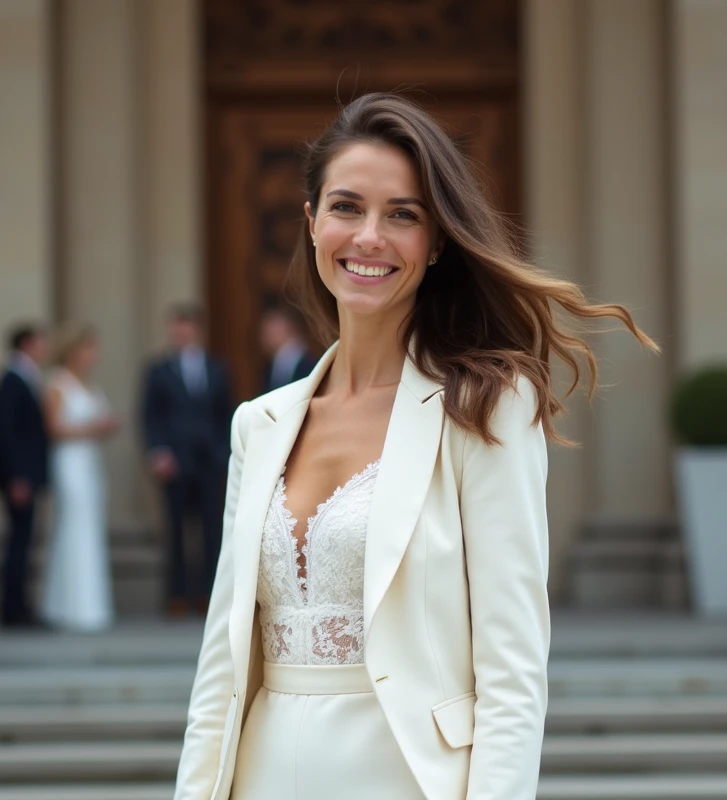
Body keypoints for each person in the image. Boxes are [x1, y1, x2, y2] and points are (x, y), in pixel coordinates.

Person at [174, 93, 657, 800]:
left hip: (408, 779)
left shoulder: (487, 407)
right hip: (261, 775)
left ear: (436, 243)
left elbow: (513, 673)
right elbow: (220, 665)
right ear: (311, 223)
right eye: (346, 207)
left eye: (402, 215)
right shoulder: (260, 423)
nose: (369, 236)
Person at [141, 307, 234, 617]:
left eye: (186, 328)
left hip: (209, 463)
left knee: (211, 530)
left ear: (197, 330)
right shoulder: (158, 370)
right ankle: (178, 594)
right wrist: (158, 451)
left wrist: (224, 452)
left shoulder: (217, 368)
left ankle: (209, 594)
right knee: (176, 530)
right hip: (175, 463)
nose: (181, 334)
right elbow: (150, 415)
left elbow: (226, 412)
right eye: (176, 329)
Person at [39, 323, 120, 632]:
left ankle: (88, 605)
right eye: (89, 348)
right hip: (69, 462)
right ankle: (68, 606)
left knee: (89, 528)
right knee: (73, 526)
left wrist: (105, 427)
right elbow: (53, 428)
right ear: (74, 351)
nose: (93, 355)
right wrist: (91, 429)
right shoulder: (57, 383)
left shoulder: (90, 385)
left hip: (89, 461)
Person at [0, 324, 50, 629]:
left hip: (24, 475)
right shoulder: (11, 379)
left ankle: (18, 605)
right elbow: (7, 433)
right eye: (41, 342)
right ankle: (13, 609)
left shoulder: (26, 377)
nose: (45, 348)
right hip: (17, 477)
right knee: (18, 541)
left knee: (23, 540)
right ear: (26, 344)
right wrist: (17, 477)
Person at [258, 303, 315, 394]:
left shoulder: (310, 365)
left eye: (273, 330)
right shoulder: (268, 368)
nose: (264, 337)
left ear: (288, 328)